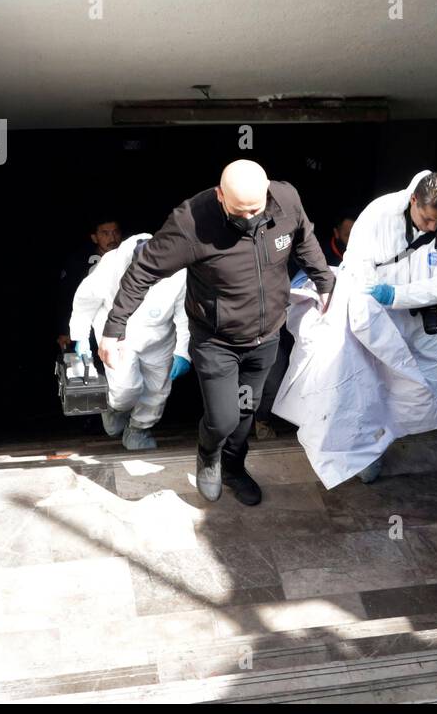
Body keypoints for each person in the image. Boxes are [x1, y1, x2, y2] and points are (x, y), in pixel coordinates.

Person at [99, 161, 334, 506]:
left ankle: (234, 467)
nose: (250, 220)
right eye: (240, 213)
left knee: (245, 412)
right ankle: (208, 455)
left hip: (266, 335)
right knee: (223, 417)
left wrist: (324, 280)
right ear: (220, 195)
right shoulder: (191, 223)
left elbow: (304, 239)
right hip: (216, 340)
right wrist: (114, 326)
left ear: (267, 188)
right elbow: (144, 269)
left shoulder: (286, 200)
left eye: (255, 210)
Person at [338, 170, 437, 482]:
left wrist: (398, 295)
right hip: (381, 313)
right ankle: (368, 450)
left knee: (419, 387)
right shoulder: (380, 212)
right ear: (414, 199)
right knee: (371, 380)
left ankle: (385, 438)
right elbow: (357, 259)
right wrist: (375, 291)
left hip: (426, 315)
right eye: (427, 219)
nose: (432, 227)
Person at [69, 234, 190, 451]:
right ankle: (114, 408)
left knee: (156, 391)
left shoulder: (178, 272)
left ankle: (139, 429)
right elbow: (85, 302)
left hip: (160, 338)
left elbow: (184, 314)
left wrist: (183, 351)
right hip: (117, 334)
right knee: (125, 388)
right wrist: (80, 337)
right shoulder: (109, 267)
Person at [55, 215, 121, 351]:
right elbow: (66, 297)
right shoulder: (79, 263)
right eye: (105, 233)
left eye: (115, 232)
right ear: (94, 237)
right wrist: (65, 330)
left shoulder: (133, 257)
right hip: (90, 329)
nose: (112, 238)